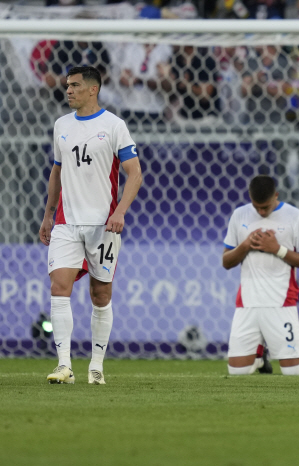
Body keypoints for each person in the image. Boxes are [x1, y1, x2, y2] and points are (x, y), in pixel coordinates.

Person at [39, 65, 143, 385]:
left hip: (103, 224)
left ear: (92, 89)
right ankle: (64, 365)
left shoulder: (114, 126)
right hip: (66, 222)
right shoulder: (61, 125)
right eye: (67, 85)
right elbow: (57, 171)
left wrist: (120, 212)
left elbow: (135, 174)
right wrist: (48, 213)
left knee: (100, 294)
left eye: (74, 85)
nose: (68, 90)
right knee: (60, 288)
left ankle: (96, 365)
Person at [222, 175, 299, 376]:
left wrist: (277, 249)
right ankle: (259, 359)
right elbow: (226, 262)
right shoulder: (240, 215)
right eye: (256, 207)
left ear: (276, 196)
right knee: (237, 372)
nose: (261, 212)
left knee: (293, 371)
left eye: (265, 207)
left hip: (281, 302)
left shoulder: (294, 216)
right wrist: (245, 245)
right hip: (247, 303)